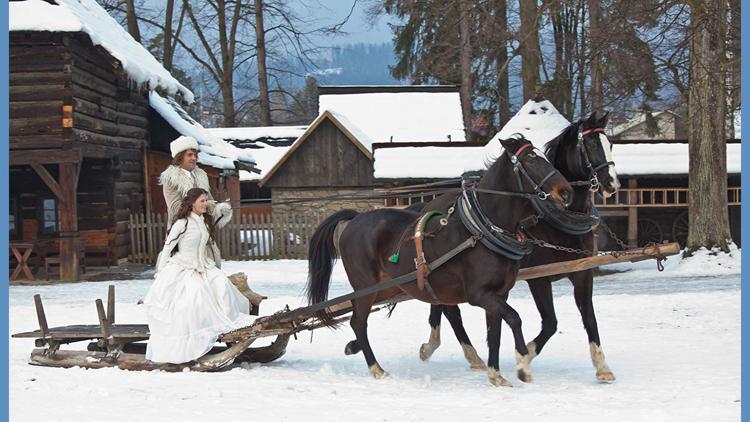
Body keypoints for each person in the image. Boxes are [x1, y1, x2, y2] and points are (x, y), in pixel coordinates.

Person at [143, 188, 253, 364]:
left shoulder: (204, 221)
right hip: (184, 267)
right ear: (192, 202)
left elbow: (217, 222)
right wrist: (161, 273)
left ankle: (228, 328)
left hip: (204, 266)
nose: (206, 204)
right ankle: (195, 340)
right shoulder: (182, 223)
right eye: (202, 201)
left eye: (206, 201)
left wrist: (224, 211)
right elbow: (168, 248)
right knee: (195, 297)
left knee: (223, 284)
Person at [160, 136, 232, 230]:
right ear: (179, 157)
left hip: (203, 230)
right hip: (181, 232)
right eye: (189, 155)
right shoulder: (170, 178)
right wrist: (202, 205)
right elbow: (175, 208)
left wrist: (219, 209)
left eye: (195, 155)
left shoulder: (201, 176)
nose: (194, 158)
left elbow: (209, 201)